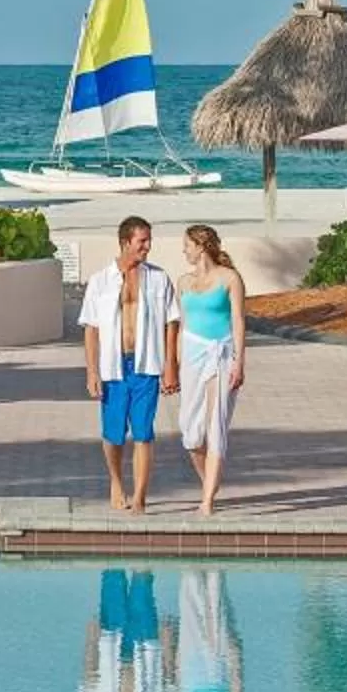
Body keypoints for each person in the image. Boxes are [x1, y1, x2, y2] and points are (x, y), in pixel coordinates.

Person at [80, 215, 179, 513]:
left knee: (143, 432)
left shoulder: (158, 278)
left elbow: (171, 322)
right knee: (113, 434)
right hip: (113, 367)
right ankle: (116, 482)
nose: (147, 246)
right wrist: (92, 371)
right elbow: (91, 329)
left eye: (149, 241)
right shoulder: (101, 281)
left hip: (145, 365)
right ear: (125, 242)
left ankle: (139, 497)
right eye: (142, 241)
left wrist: (171, 365)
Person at [174, 224, 250, 514]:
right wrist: (176, 365)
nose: (184, 251)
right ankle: (210, 480)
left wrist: (239, 362)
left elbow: (239, 321)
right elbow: (182, 326)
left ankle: (207, 501)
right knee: (190, 432)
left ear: (201, 246)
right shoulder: (183, 282)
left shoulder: (230, 278)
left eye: (187, 245)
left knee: (215, 425)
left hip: (221, 352)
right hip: (192, 354)